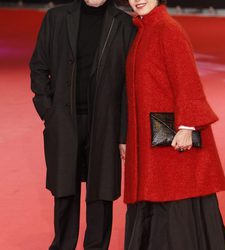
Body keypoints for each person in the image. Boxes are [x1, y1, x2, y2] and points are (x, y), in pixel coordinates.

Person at [123, 0, 225, 249]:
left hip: (171, 144)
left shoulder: (167, 30)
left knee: (174, 207)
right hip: (151, 144)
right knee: (159, 202)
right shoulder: (144, 30)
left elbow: (187, 79)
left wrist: (187, 126)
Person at [30, 0, 135, 248]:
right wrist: (48, 111)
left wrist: (123, 133)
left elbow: (129, 85)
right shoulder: (56, 18)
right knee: (65, 191)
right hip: (64, 121)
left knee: (101, 193)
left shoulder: (125, 25)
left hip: (105, 124)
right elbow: (38, 66)